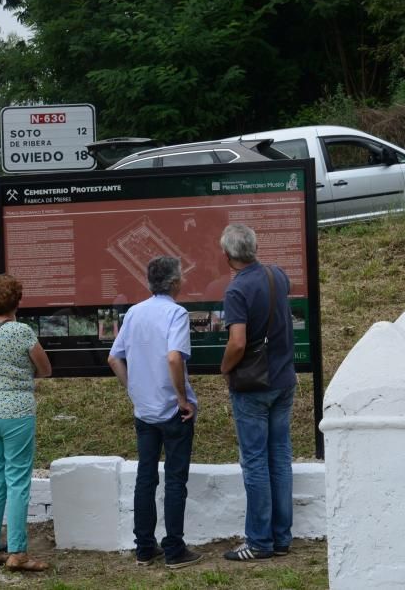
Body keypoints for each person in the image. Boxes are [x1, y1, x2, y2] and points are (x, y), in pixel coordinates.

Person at [108, 256, 202, 570]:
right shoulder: (177, 313)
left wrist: (133, 389)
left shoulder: (134, 312)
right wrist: (181, 398)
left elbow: (114, 358)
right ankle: (174, 549)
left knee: (145, 478)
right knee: (175, 480)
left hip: (144, 409)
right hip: (174, 412)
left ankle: (144, 548)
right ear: (175, 283)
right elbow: (175, 358)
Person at [217, 223, 295, 562]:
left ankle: (259, 541)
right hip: (283, 380)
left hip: (252, 385)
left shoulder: (236, 291)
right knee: (279, 456)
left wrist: (224, 368)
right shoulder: (277, 275)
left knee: (255, 461)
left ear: (227, 256)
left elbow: (237, 342)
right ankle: (281, 538)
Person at [0, 275, 52, 572]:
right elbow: (45, 368)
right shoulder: (22, 332)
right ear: (17, 301)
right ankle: (18, 552)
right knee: (18, 482)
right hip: (16, 411)